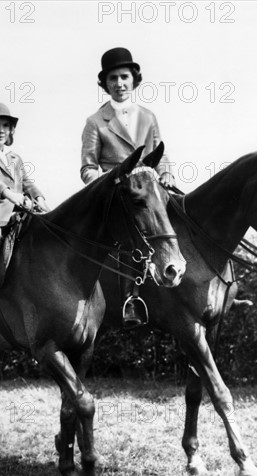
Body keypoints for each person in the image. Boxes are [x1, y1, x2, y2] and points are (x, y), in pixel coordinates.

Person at [81, 47, 176, 327]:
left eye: (124, 77)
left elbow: (161, 153)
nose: (119, 84)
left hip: (149, 188)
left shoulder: (148, 116)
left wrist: (167, 173)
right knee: (126, 236)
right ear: (105, 84)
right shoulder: (95, 123)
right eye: (113, 79)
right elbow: (88, 167)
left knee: (181, 212)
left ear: (134, 80)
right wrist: (105, 185)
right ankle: (130, 299)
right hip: (118, 193)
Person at [0, 102, 49, 302]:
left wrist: (39, 198)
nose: (1, 130)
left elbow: (27, 182)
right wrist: (12, 195)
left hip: (17, 214)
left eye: (5, 125)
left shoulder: (15, 158)